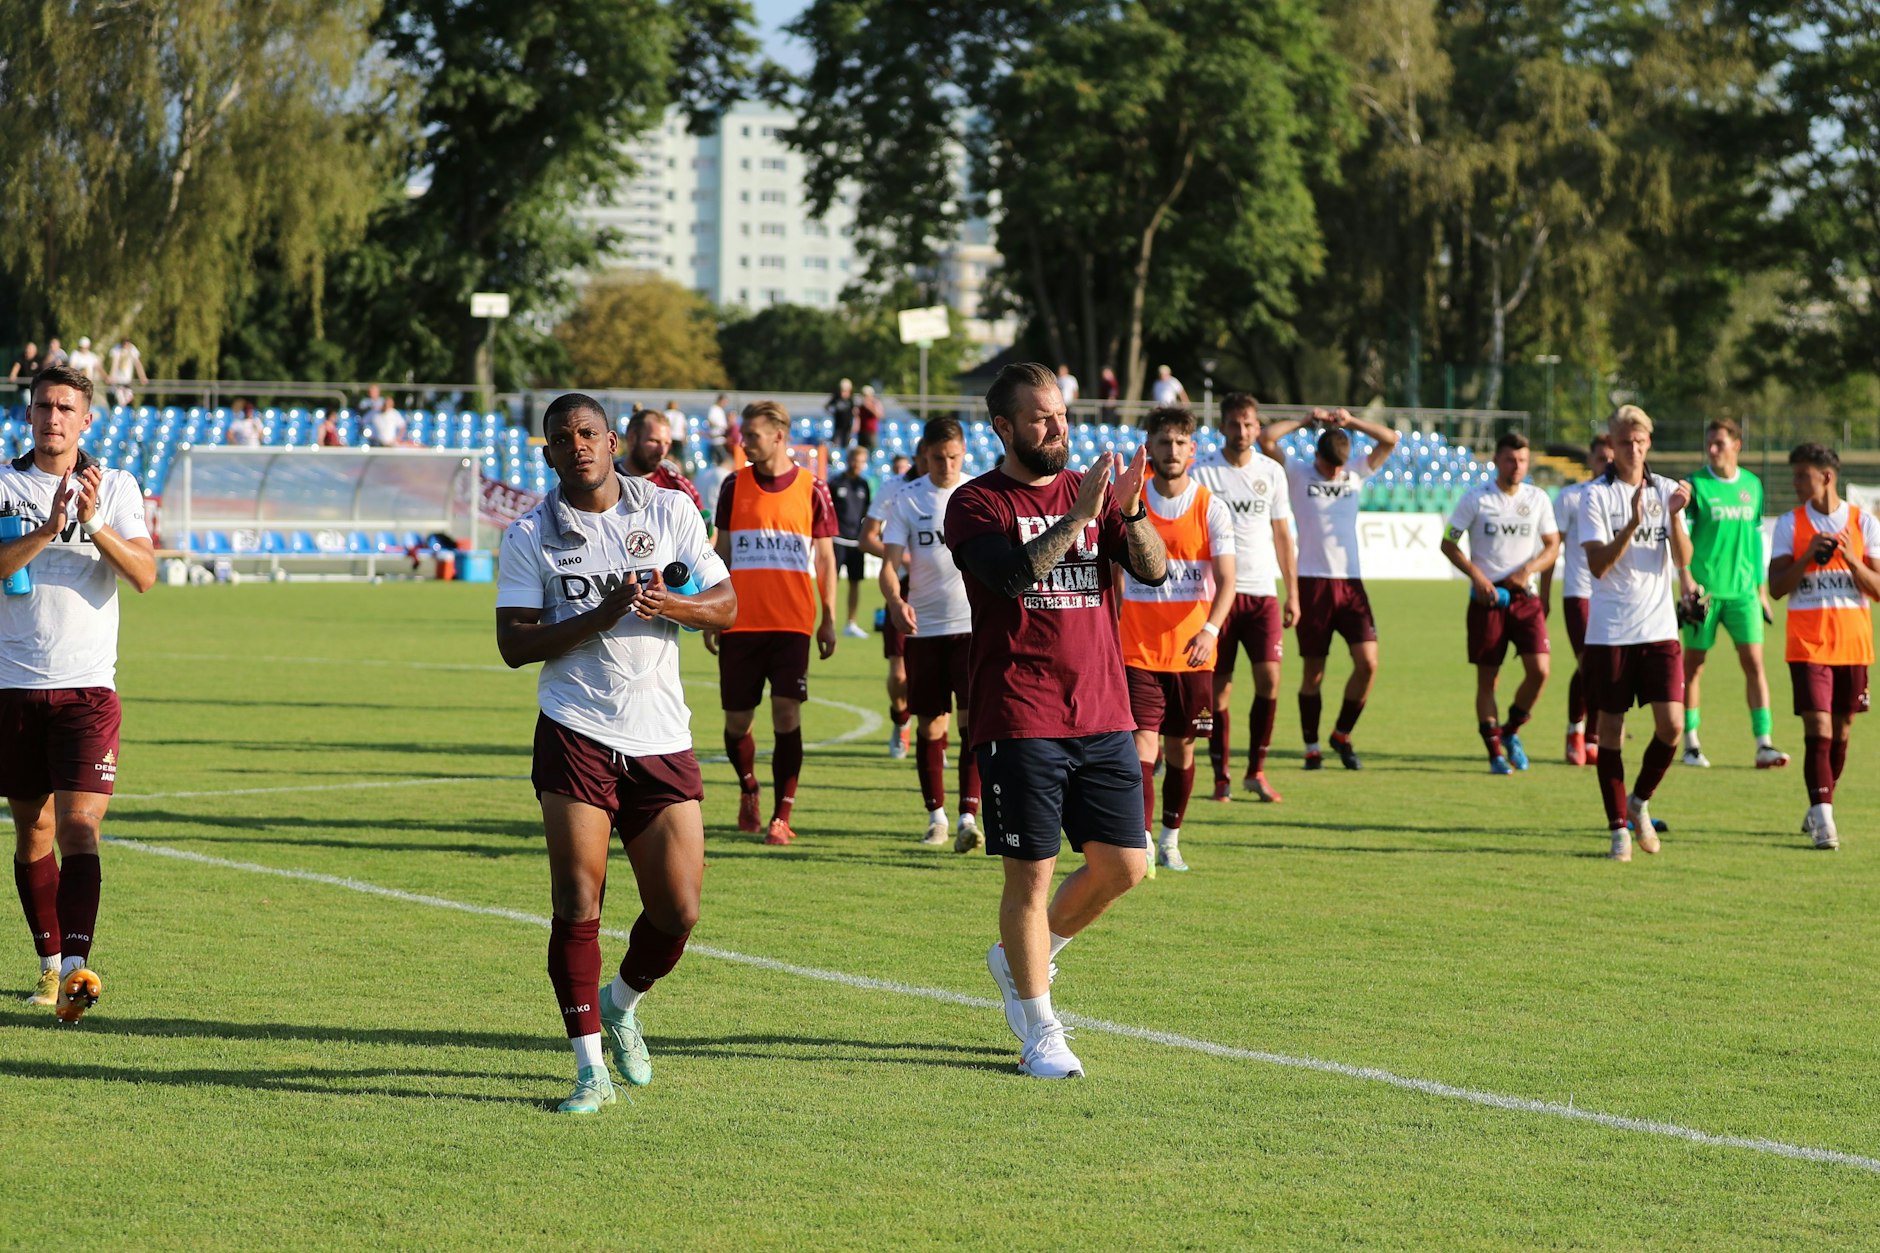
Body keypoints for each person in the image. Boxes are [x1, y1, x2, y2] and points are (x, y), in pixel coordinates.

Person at [495, 392, 734, 1114]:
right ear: (549, 453)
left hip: (660, 733)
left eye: (588, 432)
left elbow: (726, 605)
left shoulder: (666, 510)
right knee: (578, 901)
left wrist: (675, 607)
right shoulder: (530, 533)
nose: (579, 445)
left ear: (610, 439)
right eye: (563, 437)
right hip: (575, 728)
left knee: (681, 909)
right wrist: (595, 614)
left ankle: (622, 1000)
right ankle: (588, 1070)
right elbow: (513, 642)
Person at [944, 361, 1167, 1080]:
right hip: (1021, 712)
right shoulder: (976, 503)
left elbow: (1155, 571)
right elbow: (1011, 577)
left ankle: (1023, 958)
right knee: (1030, 879)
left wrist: (1128, 513)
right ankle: (1041, 1030)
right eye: (1041, 417)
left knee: (1126, 865)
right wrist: (1078, 518)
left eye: (1062, 416)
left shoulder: (1095, 492)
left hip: (1102, 708)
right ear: (1004, 427)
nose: (1057, 428)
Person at [1, 364, 156, 1020]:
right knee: (32, 829)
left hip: (88, 689)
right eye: (43, 406)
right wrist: (48, 527)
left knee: (80, 826)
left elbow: (145, 574)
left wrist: (91, 523)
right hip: (13, 686)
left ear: (88, 419)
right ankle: (46, 960)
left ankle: (74, 969)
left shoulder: (115, 485)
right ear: (27, 413)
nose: (53, 417)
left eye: (66, 407)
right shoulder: (5, 485)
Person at [705, 401, 839, 845]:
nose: (744, 442)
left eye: (753, 435)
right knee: (737, 723)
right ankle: (748, 788)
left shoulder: (812, 487)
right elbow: (720, 553)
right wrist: (710, 609)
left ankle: (783, 815)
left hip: (792, 624)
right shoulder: (732, 486)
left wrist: (829, 619)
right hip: (740, 622)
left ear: (779, 436)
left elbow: (824, 557)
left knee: (786, 714)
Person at [1579, 405, 1700, 861]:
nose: (1633, 448)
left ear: (1649, 442)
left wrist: (1673, 517)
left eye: (1640, 440)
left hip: (1658, 628)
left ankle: (1640, 802)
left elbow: (1683, 557)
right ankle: (1617, 831)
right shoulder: (1595, 496)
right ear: (1612, 442)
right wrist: (1631, 522)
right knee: (1610, 732)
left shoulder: (1667, 490)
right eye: (1625, 440)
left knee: (1672, 725)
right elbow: (1597, 565)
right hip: (1610, 631)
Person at [1118, 406, 1234, 874]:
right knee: (1141, 747)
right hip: (1137, 651)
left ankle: (1170, 838)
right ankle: (1142, 838)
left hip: (1192, 654)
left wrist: (1210, 630)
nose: (1171, 451)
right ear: (1150, 448)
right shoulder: (1128, 504)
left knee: (1182, 748)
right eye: (1162, 443)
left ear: (1193, 450)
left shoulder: (1211, 507)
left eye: (1179, 443)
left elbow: (1227, 581)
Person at [1258, 407, 1401, 769]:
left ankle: (1342, 734)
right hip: (1311, 583)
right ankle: (1311, 746)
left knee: (1368, 663)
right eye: (1330, 465)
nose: (1336, 473)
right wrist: (1306, 420)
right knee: (1314, 672)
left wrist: (1350, 421)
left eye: (1341, 466)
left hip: (1351, 584)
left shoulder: (1353, 473)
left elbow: (1391, 439)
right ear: (1316, 456)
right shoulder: (1296, 472)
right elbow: (1267, 438)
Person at [1767, 444, 1877, 850]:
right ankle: (1825, 819)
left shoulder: (1863, 522)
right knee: (1819, 728)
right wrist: (1808, 557)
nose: (1795, 483)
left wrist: (1851, 558)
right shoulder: (1789, 524)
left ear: (1826, 477)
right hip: (1807, 644)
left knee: (1842, 730)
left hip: (1853, 645)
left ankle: (1819, 801)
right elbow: (1777, 588)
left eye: (1802, 476)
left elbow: (1878, 588)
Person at [881, 418, 980, 849]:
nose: (946, 465)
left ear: (964, 453)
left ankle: (968, 818)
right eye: (938, 458)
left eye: (953, 457)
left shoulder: (982, 494)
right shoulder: (907, 499)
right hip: (925, 630)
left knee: (972, 726)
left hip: (973, 628)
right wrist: (895, 601)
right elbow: (887, 564)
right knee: (929, 725)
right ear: (925, 455)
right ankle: (936, 816)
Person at [1193, 393, 1297, 803]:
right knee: (1219, 691)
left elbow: (1283, 535)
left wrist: (1294, 592)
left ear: (1258, 427)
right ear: (1222, 427)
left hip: (1262, 593)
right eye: (1234, 424)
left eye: (1249, 424)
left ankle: (1256, 770)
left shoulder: (1271, 472)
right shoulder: (1203, 474)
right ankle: (1221, 775)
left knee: (1270, 679)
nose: (1242, 431)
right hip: (1218, 595)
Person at [1440, 432, 1561, 773]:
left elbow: (1552, 546)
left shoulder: (1537, 498)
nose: (1517, 466)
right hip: (1487, 600)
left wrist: (1528, 569)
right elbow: (1448, 543)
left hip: (1526, 598)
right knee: (1488, 680)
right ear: (1497, 461)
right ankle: (1494, 751)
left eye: (1523, 460)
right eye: (1511, 459)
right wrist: (1477, 577)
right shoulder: (1476, 499)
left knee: (1540, 670)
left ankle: (1510, 730)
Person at [1677, 418, 1788, 770]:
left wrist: (1760, 591)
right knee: (1694, 668)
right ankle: (1691, 744)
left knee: (1755, 665)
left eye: (1719, 443)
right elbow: (1681, 538)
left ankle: (1764, 744)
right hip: (1705, 595)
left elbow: (1756, 540)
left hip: (1743, 595)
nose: (1713, 449)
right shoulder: (1696, 485)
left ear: (1736, 445)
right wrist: (1687, 586)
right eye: (1709, 443)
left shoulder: (1752, 486)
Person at [1540, 434, 1614, 765]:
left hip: (1613, 595)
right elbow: (1552, 549)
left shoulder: (1626, 497)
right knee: (1589, 663)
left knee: (1606, 665)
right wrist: (1544, 594)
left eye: (1612, 459)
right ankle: (1576, 731)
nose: (1607, 465)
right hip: (1579, 591)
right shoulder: (1571, 498)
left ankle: (1594, 736)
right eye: (1601, 459)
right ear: (1591, 461)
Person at [862, 450, 921, 757]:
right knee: (900, 674)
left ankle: (935, 742)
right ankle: (901, 721)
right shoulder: (893, 488)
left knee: (940, 670)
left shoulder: (955, 487)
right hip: (900, 586)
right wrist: (902, 558)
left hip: (939, 590)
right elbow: (866, 538)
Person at [613, 408, 704, 516]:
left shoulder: (677, 485)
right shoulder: (607, 479)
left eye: (667, 443)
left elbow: (706, 526)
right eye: (654, 441)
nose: (662, 451)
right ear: (632, 438)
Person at [829, 444, 874, 637]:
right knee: (832, 582)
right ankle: (829, 621)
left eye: (862, 461)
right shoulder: (836, 482)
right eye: (856, 460)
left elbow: (867, 512)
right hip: (837, 539)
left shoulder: (863, 485)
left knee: (855, 583)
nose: (858, 464)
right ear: (849, 460)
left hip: (856, 541)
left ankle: (851, 623)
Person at [106, 338, 146, 408]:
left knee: (126, 397)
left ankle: (123, 412)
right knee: (120, 398)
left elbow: (138, 364)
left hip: (127, 380)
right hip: (118, 379)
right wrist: (111, 376)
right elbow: (115, 364)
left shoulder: (132, 349)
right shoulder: (117, 349)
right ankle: (121, 412)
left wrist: (142, 376)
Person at [826, 378, 856, 449]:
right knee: (836, 442)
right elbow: (827, 406)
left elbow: (854, 410)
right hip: (838, 425)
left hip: (847, 425)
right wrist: (833, 412)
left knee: (846, 443)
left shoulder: (850, 399)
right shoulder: (836, 397)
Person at [857, 384, 884, 451]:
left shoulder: (876, 403)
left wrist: (869, 408)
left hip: (872, 432)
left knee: (873, 450)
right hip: (862, 432)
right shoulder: (861, 406)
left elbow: (879, 415)